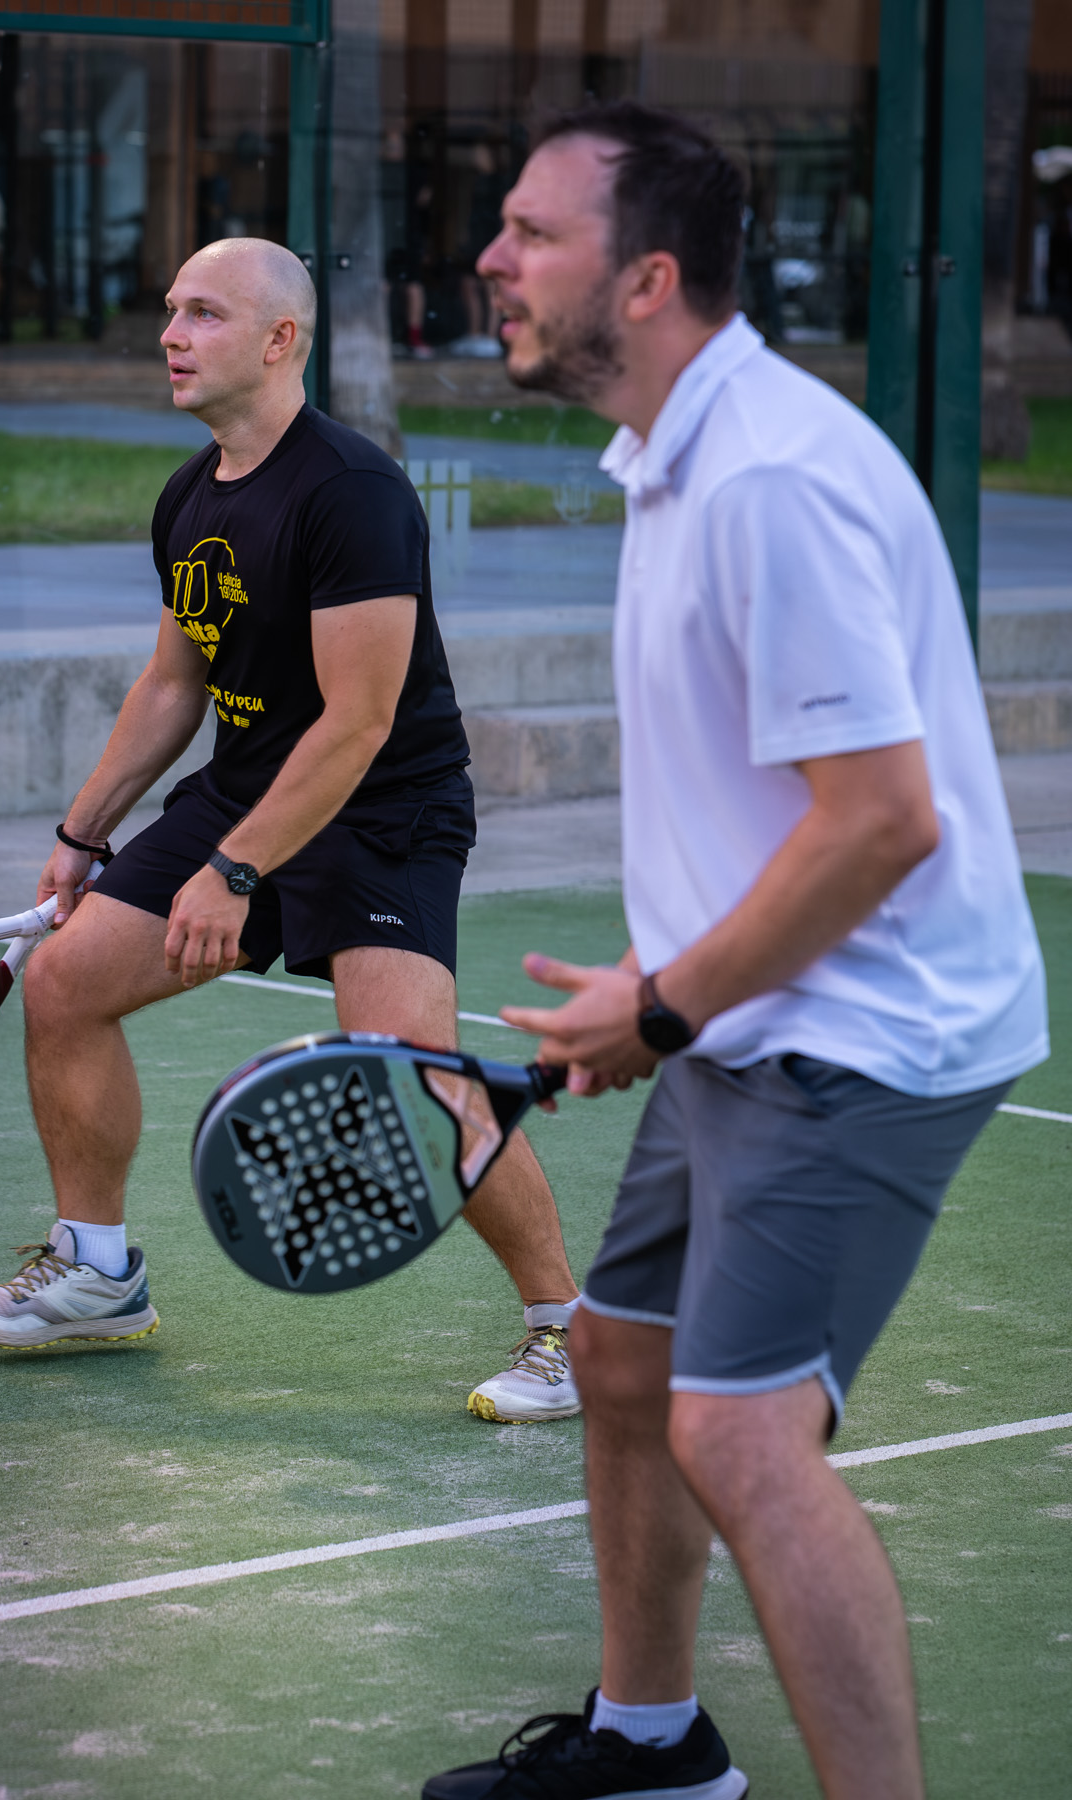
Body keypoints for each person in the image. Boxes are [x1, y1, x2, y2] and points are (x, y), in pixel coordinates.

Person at [423, 103, 1048, 1800]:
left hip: (866, 1036)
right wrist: (657, 997)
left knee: (739, 1437)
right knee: (623, 1362)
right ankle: (651, 1750)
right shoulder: (669, 460)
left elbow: (879, 821)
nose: (490, 257)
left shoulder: (770, 478)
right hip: (746, 1013)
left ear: (644, 277)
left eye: (529, 233)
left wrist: (669, 999)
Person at [0, 236, 589, 1424]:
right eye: (170, 313)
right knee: (66, 983)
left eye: (203, 314)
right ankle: (94, 1273)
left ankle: (570, 1329)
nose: (170, 336)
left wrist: (235, 870)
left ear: (279, 340)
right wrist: (84, 834)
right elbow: (172, 687)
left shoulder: (352, 492)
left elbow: (360, 720)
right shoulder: (191, 495)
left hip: (382, 808)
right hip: (245, 788)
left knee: (412, 1076)